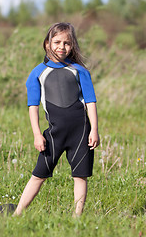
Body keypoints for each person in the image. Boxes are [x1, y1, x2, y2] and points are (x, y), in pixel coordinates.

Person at [13, 22, 100, 217]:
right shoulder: (37, 73)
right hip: (54, 133)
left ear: (73, 46)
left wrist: (94, 129)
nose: (62, 47)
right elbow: (33, 106)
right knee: (38, 175)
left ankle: (77, 218)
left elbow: (91, 102)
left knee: (80, 176)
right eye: (57, 42)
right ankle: (17, 214)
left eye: (67, 43)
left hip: (81, 133)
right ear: (47, 44)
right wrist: (37, 134)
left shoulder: (80, 71)